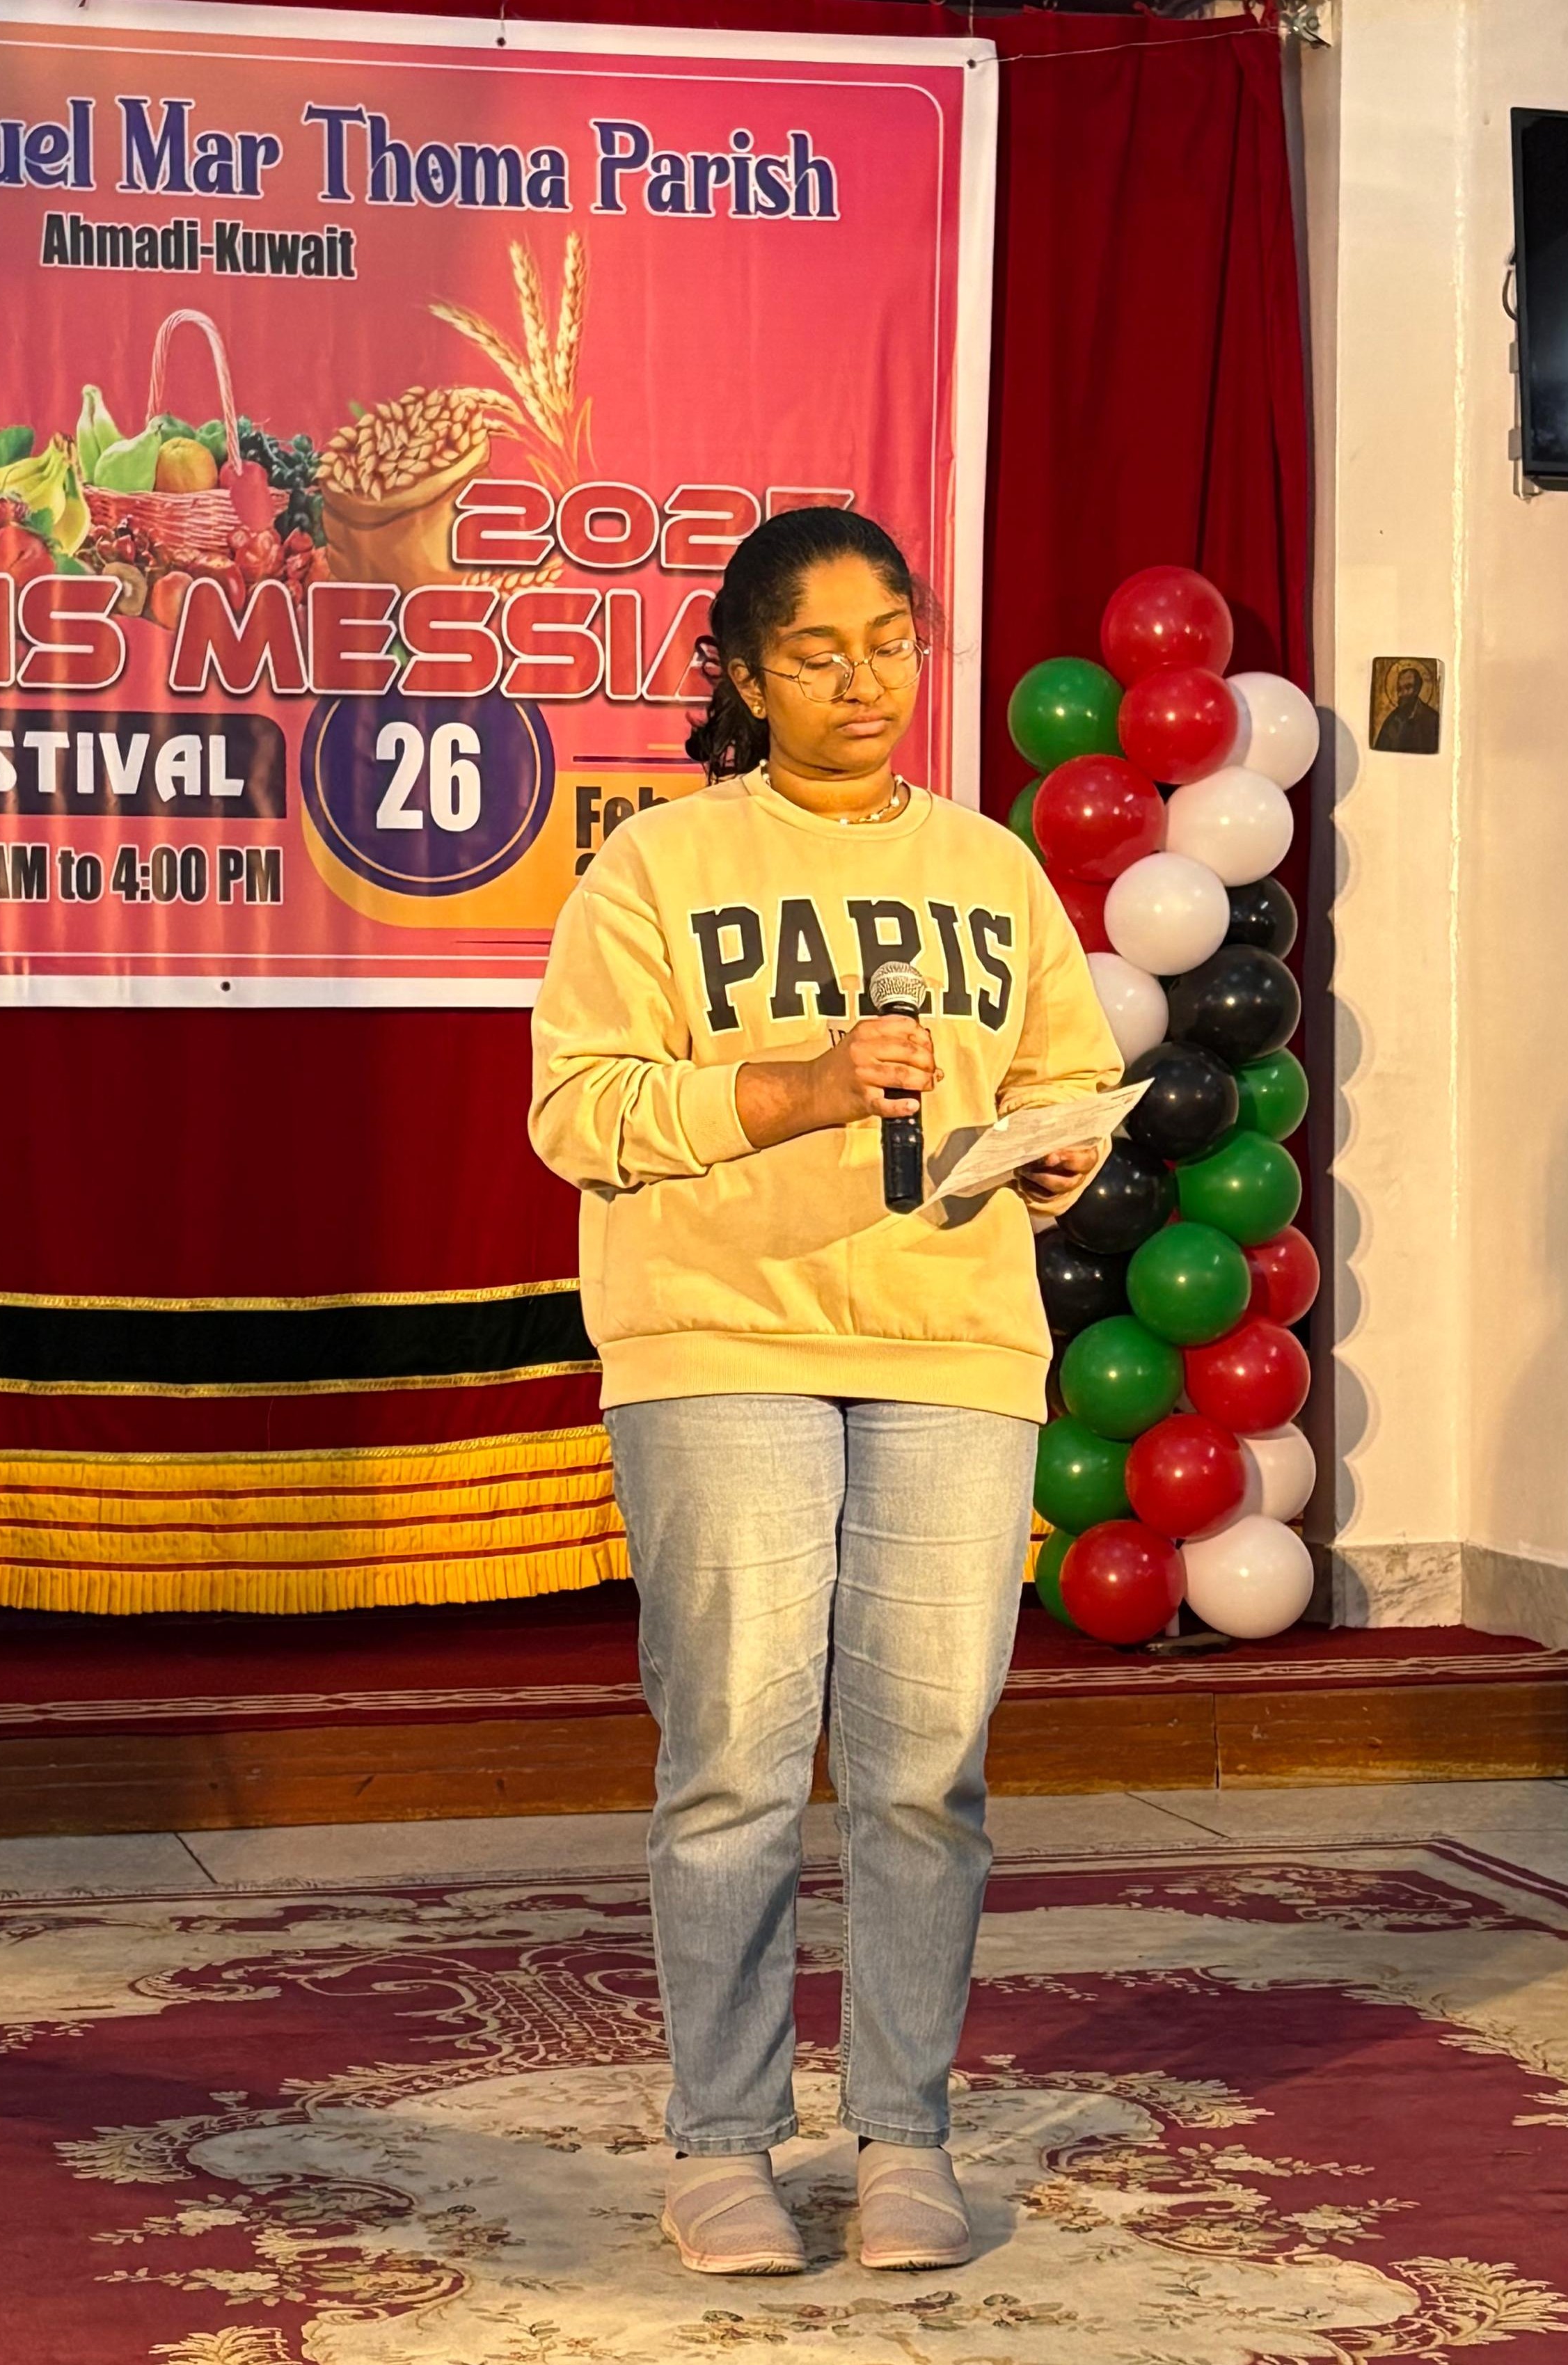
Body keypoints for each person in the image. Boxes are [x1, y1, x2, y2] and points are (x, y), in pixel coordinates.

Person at [528, 507, 1123, 2278]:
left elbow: (1069, 1069)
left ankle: (904, 2135)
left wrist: (1058, 1153)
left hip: (954, 1345)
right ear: (739, 672)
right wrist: (794, 1089)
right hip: (723, 1338)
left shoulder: (991, 866)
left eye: (890, 644)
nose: (865, 683)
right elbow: (577, 1111)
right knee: (733, 1758)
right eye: (816, 653)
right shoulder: (657, 866)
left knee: (925, 1767)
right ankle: (722, 2143)